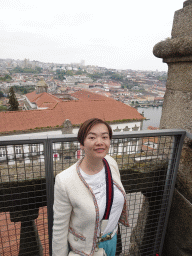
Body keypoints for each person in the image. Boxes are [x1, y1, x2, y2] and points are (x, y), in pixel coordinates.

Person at [52, 118, 129, 256]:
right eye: (92, 137)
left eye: (105, 137)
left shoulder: (111, 163)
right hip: (85, 250)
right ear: (82, 144)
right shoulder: (65, 180)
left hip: (113, 241)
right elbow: (59, 229)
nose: (100, 142)